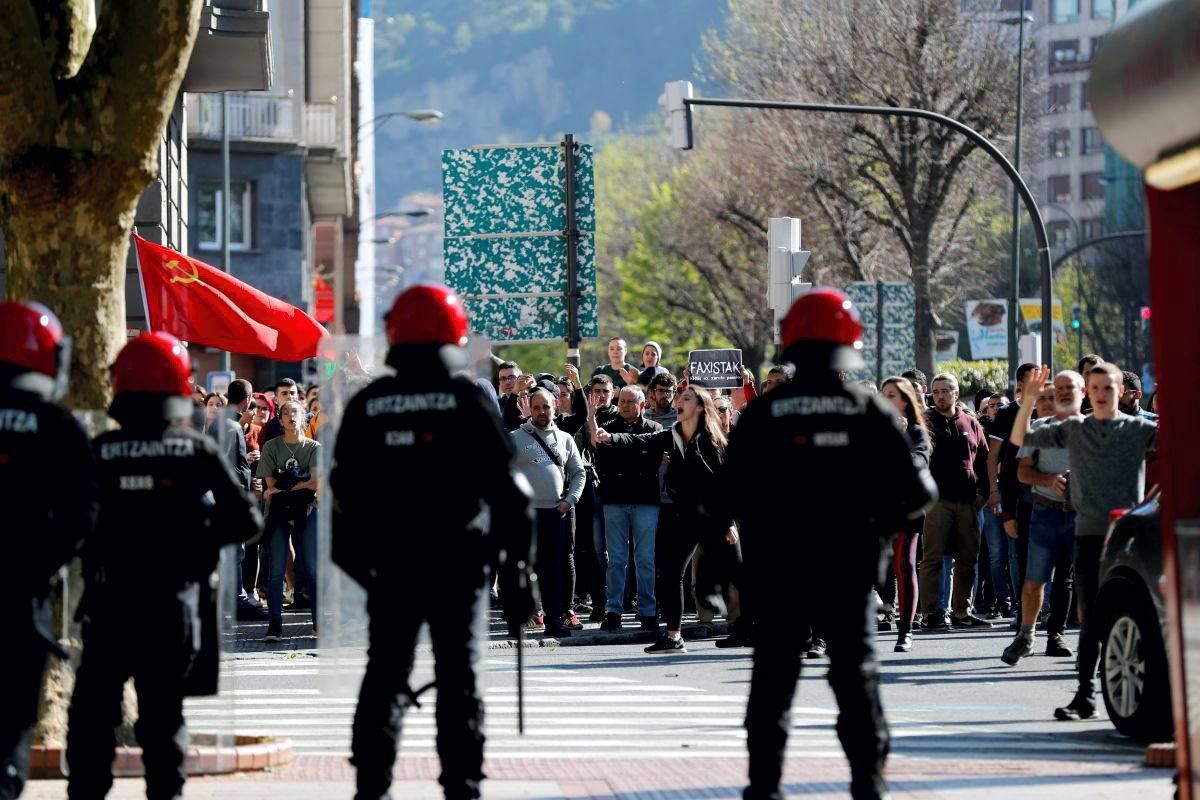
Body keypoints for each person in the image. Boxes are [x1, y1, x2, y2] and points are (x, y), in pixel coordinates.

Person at [723, 289, 936, 800]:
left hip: (778, 574)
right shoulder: (866, 410)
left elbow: (724, 494)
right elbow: (919, 493)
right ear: (850, 341)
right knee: (857, 686)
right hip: (850, 570)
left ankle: (765, 789)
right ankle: (868, 785)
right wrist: (876, 523)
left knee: (772, 687)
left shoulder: (763, 414)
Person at [330, 284, 535, 800]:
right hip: (458, 565)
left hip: (391, 566)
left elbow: (342, 497)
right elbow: (513, 495)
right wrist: (518, 573)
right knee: (459, 679)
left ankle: (371, 787)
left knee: (384, 675)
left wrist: (367, 569)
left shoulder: (370, 403)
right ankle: (461, 787)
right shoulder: (467, 397)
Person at [66, 332, 262, 800]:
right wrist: (194, 532)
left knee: (92, 722)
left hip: (108, 605)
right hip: (172, 608)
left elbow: (72, 523)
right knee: (163, 722)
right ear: (179, 386)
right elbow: (247, 519)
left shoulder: (100, 451)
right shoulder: (195, 450)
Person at [1011, 363, 1157, 722]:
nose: (1103, 393)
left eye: (1109, 387)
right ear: (1087, 392)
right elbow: (1021, 440)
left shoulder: (1139, 428)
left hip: (1127, 536)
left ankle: (1126, 688)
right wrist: (1029, 400)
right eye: (1096, 387)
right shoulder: (1074, 428)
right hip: (1089, 532)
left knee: (1125, 614)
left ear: (1121, 390)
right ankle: (1084, 695)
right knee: (1089, 616)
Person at [0, 302, 99, 800]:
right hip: (22, 598)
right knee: (11, 722)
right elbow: (84, 511)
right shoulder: (57, 426)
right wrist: (41, 561)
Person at [594, 384, 735, 654]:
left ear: (701, 407)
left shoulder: (712, 440)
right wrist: (611, 438)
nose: (677, 402)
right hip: (685, 516)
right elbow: (641, 440)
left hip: (713, 517)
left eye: (685, 398)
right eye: (679, 398)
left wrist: (728, 521)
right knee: (670, 574)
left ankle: (753, 628)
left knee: (738, 573)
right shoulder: (672, 434)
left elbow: (724, 486)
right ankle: (673, 636)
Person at [1001, 371, 1083, 665]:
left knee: (1070, 580)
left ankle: (1059, 635)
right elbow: (1021, 472)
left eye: (1068, 388)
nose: (1063, 393)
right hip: (1045, 512)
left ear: (1082, 392)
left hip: (1080, 517)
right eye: (1057, 389)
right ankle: (1025, 636)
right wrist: (1049, 479)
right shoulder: (1039, 428)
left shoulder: (1095, 429)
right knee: (1034, 580)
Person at [919, 372, 992, 629]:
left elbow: (984, 460)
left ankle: (962, 612)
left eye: (945, 390)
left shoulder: (971, 423)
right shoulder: (925, 422)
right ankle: (930, 613)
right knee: (933, 559)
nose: (939, 396)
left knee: (968, 559)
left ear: (956, 393)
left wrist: (985, 493)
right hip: (937, 502)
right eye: (935, 392)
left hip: (969, 501)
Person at [258, 399, 322, 641]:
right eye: (286, 413)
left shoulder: (314, 447)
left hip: (307, 509)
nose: (291, 416)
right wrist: (300, 480)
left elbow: (315, 483)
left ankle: (317, 623)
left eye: (295, 412)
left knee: (313, 569)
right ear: (280, 419)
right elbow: (270, 486)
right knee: (276, 571)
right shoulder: (271, 447)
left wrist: (286, 480)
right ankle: (275, 624)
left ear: (303, 416)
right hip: (278, 513)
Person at [879, 376, 932, 653]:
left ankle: (905, 630)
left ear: (905, 400)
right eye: (883, 394)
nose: (886, 399)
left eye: (892, 395)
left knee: (905, 565)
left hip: (906, 510)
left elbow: (919, 463)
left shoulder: (916, 432)